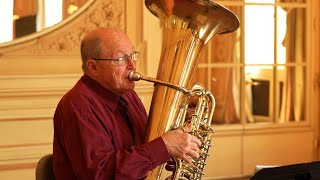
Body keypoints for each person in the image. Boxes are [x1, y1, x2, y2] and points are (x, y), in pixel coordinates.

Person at [53, 27, 202, 180]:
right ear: (93, 67)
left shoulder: (128, 95)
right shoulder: (79, 106)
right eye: (121, 59)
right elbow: (100, 173)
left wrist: (176, 143)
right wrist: (164, 146)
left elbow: (145, 150)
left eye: (132, 56)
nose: (132, 65)